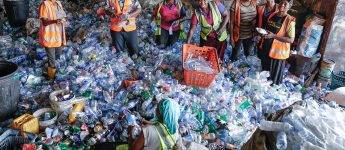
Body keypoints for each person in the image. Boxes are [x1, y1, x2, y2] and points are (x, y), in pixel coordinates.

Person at [262, 0, 295, 85]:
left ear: (289, 7)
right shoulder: (272, 15)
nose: (282, 5)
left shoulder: (289, 20)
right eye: (281, 3)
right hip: (267, 48)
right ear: (278, 4)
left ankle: (273, 91)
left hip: (278, 53)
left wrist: (273, 36)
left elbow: (291, 40)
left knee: (274, 77)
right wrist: (263, 31)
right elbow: (269, 28)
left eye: (285, 4)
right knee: (265, 71)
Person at [39, 0, 67, 80]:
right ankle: (52, 78)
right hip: (49, 37)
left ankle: (57, 75)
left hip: (59, 36)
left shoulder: (58, 2)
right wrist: (55, 21)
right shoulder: (44, 4)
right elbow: (44, 22)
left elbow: (63, 15)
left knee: (58, 55)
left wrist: (64, 19)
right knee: (52, 59)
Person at [257, 0, 278, 71]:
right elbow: (257, 19)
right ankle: (261, 71)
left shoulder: (279, 8)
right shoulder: (261, 7)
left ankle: (268, 72)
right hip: (261, 34)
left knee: (269, 55)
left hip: (273, 37)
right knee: (261, 54)